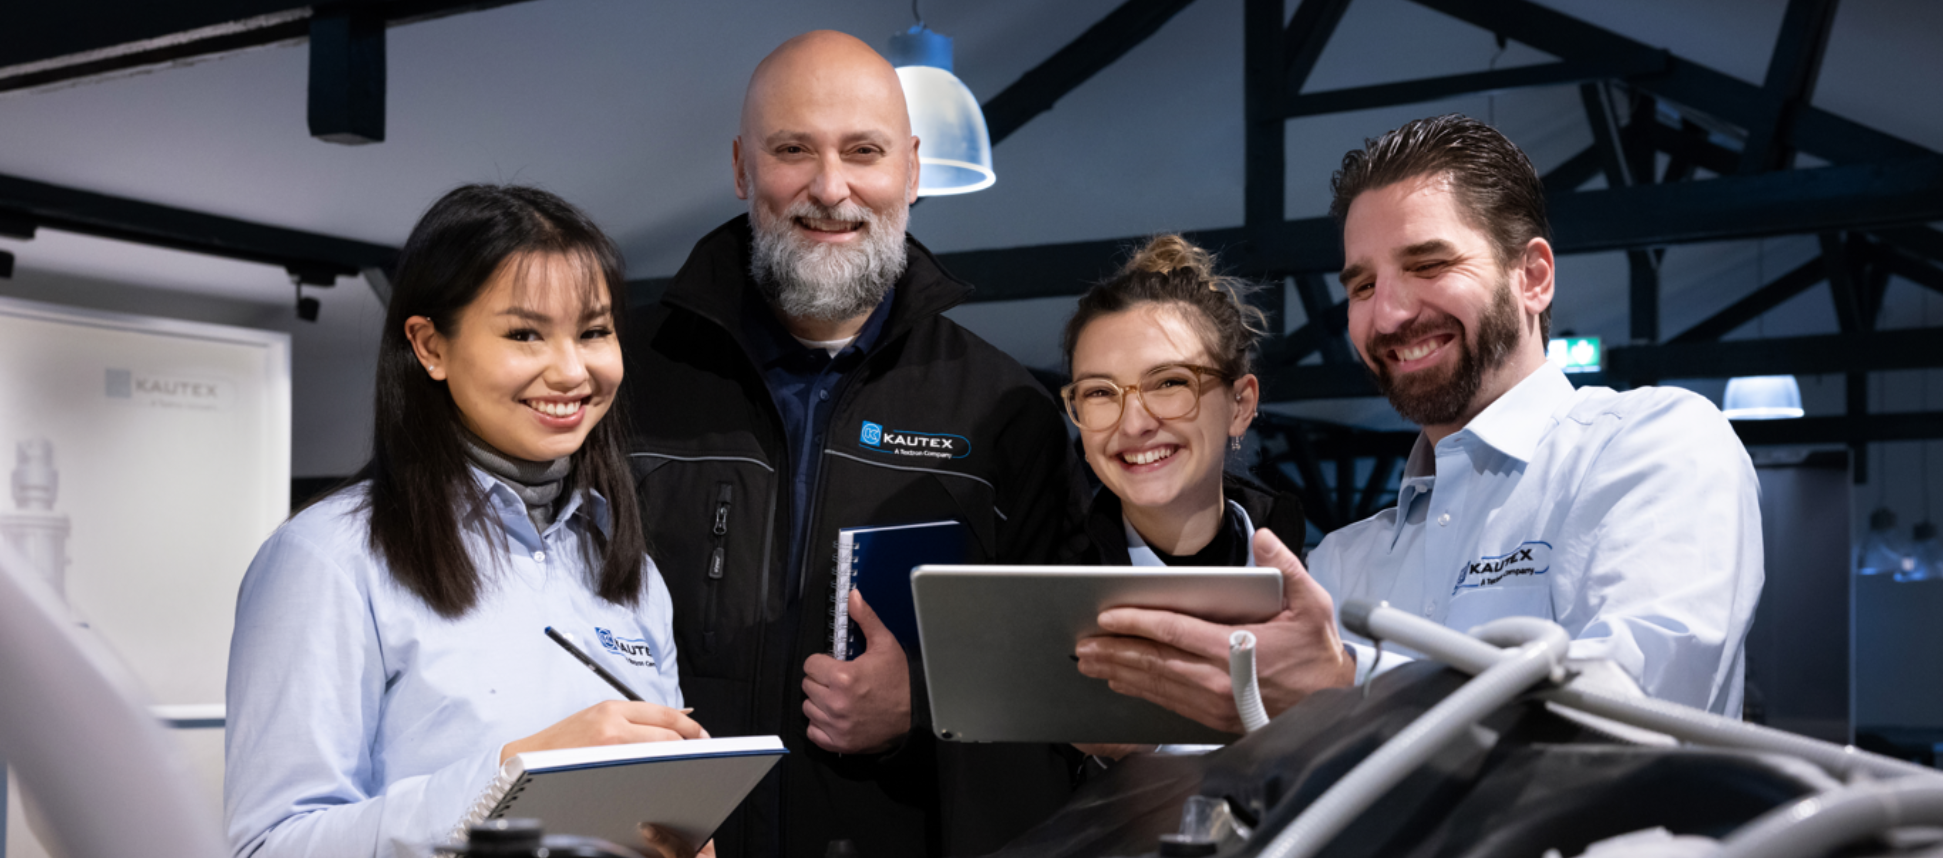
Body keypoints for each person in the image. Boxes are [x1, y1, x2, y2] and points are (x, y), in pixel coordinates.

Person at [1074, 114, 1764, 729]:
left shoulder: (1652, 443)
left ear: (1533, 277)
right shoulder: (1347, 559)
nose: (1390, 314)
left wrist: (1345, 688)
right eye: (1363, 285)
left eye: (1428, 264)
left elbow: (1636, 710)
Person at [620, 31, 1085, 858]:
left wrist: (929, 704)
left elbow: (1067, 678)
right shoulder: (626, 377)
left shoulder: (1005, 407)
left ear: (910, 170)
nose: (830, 188)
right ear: (741, 167)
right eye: (793, 149)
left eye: (862, 152)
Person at [225, 185, 709, 858]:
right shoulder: (329, 558)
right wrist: (514, 780)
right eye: (524, 334)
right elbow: (272, 845)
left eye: (594, 332)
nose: (571, 370)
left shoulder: (623, 566)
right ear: (430, 347)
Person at [1059, 234, 1306, 568]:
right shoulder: (1050, 605)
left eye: (1169, 383)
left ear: (1240, 404)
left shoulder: (1324, 582)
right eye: (1099, 392)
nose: (1133, 424)